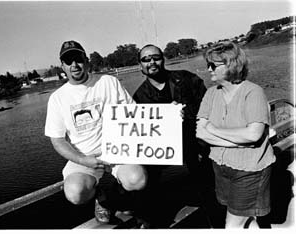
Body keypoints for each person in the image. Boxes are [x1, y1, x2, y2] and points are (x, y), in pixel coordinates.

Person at [44, 40, 147, 224]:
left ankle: (115, 193)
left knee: (137, 180)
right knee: (75, 194)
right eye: (68, 61)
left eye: (78, 59)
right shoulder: (57, 98)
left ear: (87, 60)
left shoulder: (108, 81)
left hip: (118, 151)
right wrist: (83, 160)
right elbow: (58, 141)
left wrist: (169, 114)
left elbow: (134, 114)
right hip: (85, 156)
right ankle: (101, 196)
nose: (74, 65)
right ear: (63, 67)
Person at [132, 44, 224, 228]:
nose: (152, 62)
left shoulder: (188, 79)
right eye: (146, 59)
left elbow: (209, 111)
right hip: (163, 151)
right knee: (145, 177)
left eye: (155, 57)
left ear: (163, 59)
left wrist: (184, 116)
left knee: (207, 185)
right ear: (140, 65)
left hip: (195, 142)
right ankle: (151, 221)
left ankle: (218, 221)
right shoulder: (138, 98)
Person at [196, 41, 275, 228]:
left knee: (232, 226)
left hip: (250, 170)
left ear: (231, 64)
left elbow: (253, 135)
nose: (208, 69)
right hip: (220, 167)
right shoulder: (210, 94)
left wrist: (214, 131)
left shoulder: (253, 92)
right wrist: (238, 142)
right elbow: (200, 131)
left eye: (213, 65)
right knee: (246, 221)